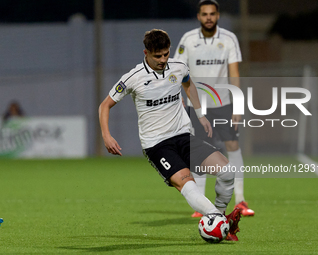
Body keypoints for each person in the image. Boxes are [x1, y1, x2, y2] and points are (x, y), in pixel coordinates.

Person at [99, 29, 242, 241]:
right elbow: (105, 105)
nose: (163, 60)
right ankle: (219, 223)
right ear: (146, 53)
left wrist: (200, 114)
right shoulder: (133, 77)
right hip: (157, 145)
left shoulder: (178, 67)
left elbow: (188, 83)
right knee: (189, 185)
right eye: (158, 56)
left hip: (183, 136)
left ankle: (219, 217)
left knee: (227, 172)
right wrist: (106, 135)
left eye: (166, 54)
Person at [174, 0, 254, 217]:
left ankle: (240, 200)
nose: (208, 17)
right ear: (199, 17)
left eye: (212, 14)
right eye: (204, 14)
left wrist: (238, 104)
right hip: (197, 105)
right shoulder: (188, 40)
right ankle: (201, 205)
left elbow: (234, 72)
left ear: (217, 15)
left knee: (232, 145)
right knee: (198, 152)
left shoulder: (229, 39)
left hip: (223, 104)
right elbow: (179, 71)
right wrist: (178, 97)